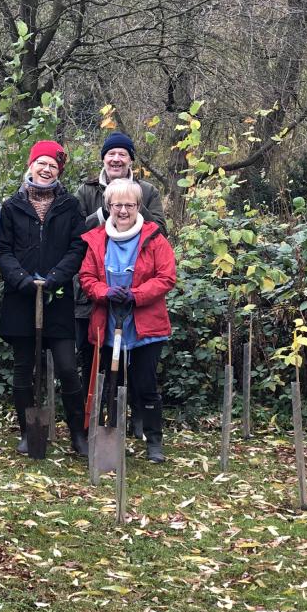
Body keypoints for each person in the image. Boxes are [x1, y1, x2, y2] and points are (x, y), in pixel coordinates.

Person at [0, 141, 88, 455]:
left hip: (57, 299)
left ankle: (79, 435)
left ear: (58, 171)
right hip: (21, 299)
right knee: (23, 368)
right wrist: (23, 280)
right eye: (41, 163)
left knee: (66, 367)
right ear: (31, 164)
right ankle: (27, 433)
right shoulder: (11, 206)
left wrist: (54, 279)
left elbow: (78, 248)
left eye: (53, 165)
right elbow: (3, 251)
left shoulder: (70, 206)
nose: (46, 169)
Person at [74, 131, 167, 436]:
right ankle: (103, 427)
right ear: (103, 158)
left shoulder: (148, 197)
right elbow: (79, 239)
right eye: (110, 154)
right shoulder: (87, 193)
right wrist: (104, 211)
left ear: (130, 160)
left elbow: (162, 242)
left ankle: (142, 427)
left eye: (122, 154)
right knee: (100, 372)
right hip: (98, 308)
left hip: (140, 309)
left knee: (141, 376)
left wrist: (136, 295)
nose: (115, 158)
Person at [79, 178, 176, 463]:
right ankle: (107, 436)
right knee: (108, 382)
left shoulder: (154, 238)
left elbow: (166, 277)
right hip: (108, 323)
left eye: (129, 205)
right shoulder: (96, 239)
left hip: (145, 325)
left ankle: (154, 441)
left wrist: (136, 295)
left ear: (138, 206)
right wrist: (105, 292)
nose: (123, 210)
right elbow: (86, 278)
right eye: (117, 205)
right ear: (108, 207)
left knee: (144, 384)